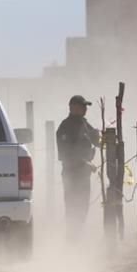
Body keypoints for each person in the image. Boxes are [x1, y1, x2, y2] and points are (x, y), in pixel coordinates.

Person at [56, 95, 100, 239]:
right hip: (72, 175)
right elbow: (66, 154)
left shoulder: (84, 123)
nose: (85, 109)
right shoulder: (65, 127)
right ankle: (72, 239)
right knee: (73, 207)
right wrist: (85, 163)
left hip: (83, 174)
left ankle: (77, 237)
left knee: (83, 207)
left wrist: (103, 136)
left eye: (85, 106)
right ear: (73, 108)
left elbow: (96, 139)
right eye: (83, 106)